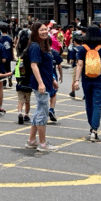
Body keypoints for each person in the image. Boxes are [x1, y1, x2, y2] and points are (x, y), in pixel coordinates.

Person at [26, 22, 58, 151]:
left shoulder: (43, 45)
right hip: (41, 85)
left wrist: (52, 79)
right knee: (43, 114)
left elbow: (45, 66)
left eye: (46, 29)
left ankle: (32, 140)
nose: (45, 32)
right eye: (41, 30)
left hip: (45, 82)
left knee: (39, 111)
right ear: (35, 32)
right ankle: (43, 143)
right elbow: (34, 65)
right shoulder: (35, 46)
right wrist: (41, 83)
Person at [73, 25, 101, 141]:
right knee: (97, 104)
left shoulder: (82, 49)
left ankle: (91, 125)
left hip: (86, 80)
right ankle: (95, 129)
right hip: (99, 79)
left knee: (89, 103)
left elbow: (80, 65)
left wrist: (76, 80)